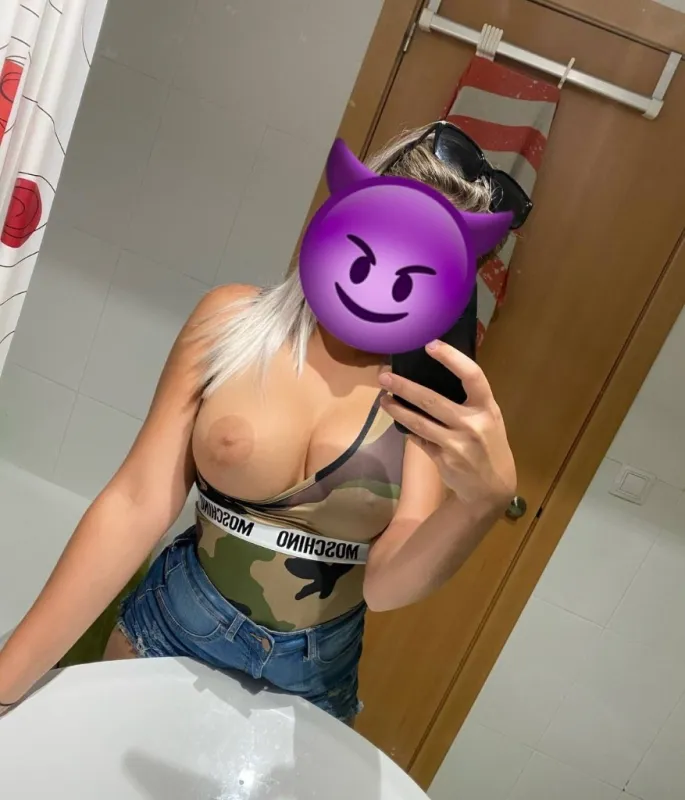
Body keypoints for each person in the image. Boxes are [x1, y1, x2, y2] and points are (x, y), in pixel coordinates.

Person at [0, 122, 522, 725]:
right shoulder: (232, 322)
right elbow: (138, 501)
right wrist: (6, 683)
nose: (384, 278)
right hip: (170, 628)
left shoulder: (424, 395)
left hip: (313, 681)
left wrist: (480, 504)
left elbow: (384, 588)